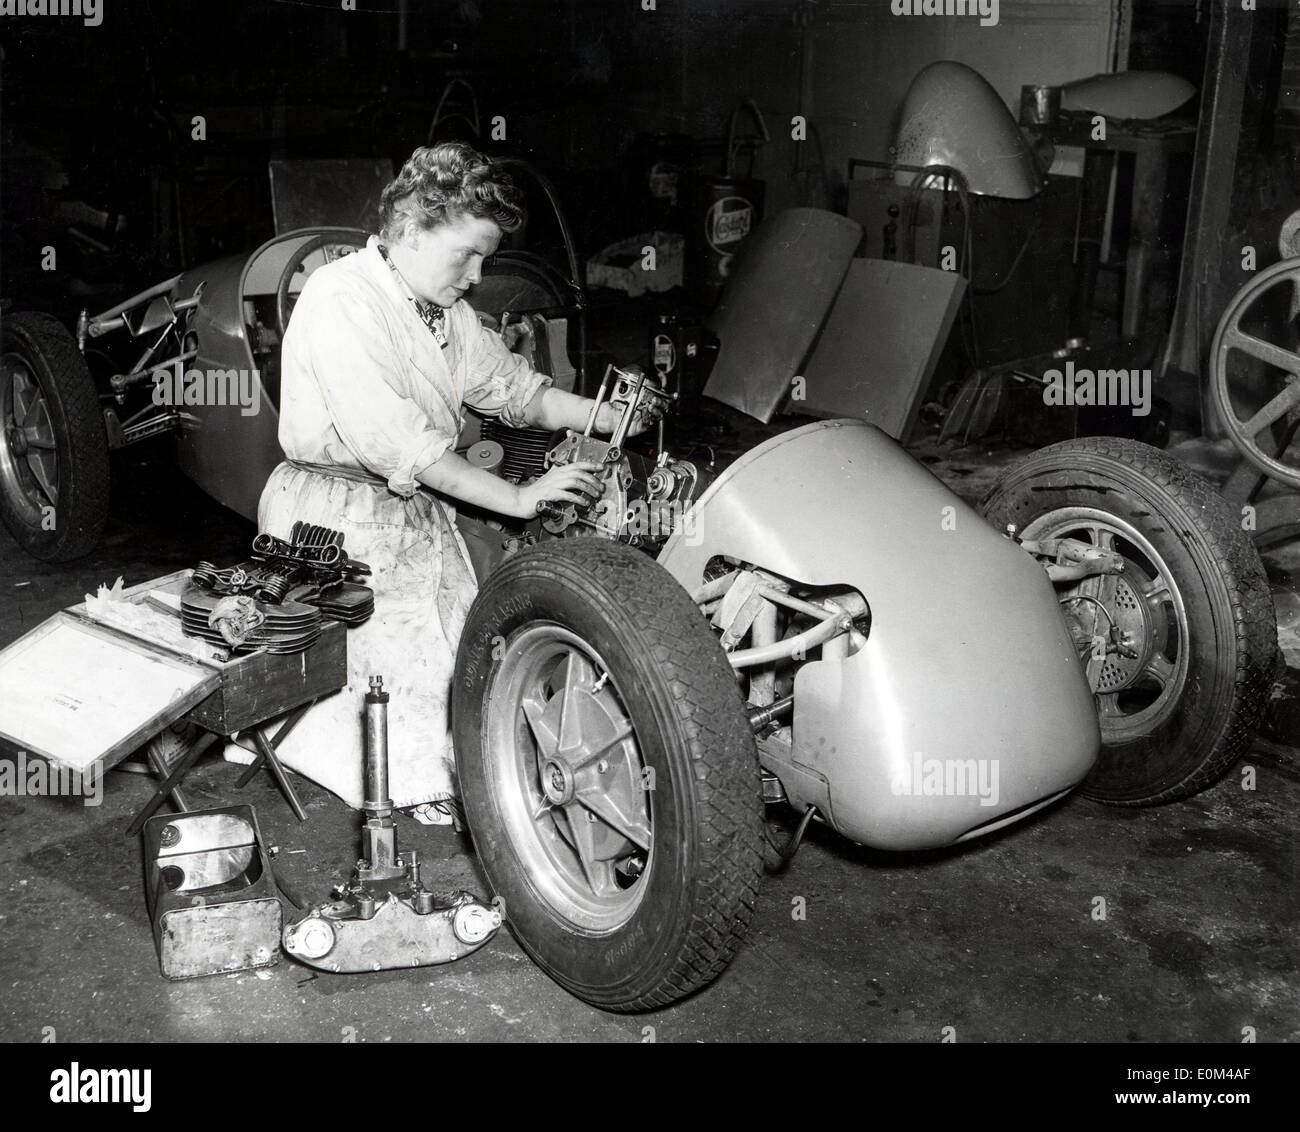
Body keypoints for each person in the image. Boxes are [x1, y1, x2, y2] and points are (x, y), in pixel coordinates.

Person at [251, 142, 652, 817]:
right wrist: (521, 498)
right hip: (334, 519)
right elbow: (410, 448)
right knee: (412, 718)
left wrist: (606, 417)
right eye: (465, 254)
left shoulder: (443, 313)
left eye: (485, 259)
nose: (476, 274)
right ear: (409, 230)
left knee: (477, 666)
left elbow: (516, 392)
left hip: (408, 514)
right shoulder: (341, 298)